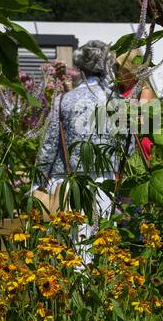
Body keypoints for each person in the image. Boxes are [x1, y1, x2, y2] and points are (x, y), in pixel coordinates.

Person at [33, 39, 125, 220]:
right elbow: (126, 146)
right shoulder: (118, 101)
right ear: (107, 66)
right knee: (103, 240)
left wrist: (39, 180)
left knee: (70, 239)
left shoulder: (65, 99)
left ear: (81, 66)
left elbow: (50, 144)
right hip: (104, 180)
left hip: (67, 179)